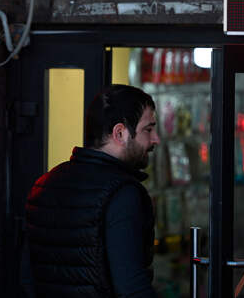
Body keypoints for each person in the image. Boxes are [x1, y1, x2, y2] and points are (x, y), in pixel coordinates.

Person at [25, 84, 160, 297]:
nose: (155, 139)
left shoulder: (44, 184)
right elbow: (132, 288)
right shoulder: (123, 194)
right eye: (148, 129)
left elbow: (26, 278)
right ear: (120, 133)